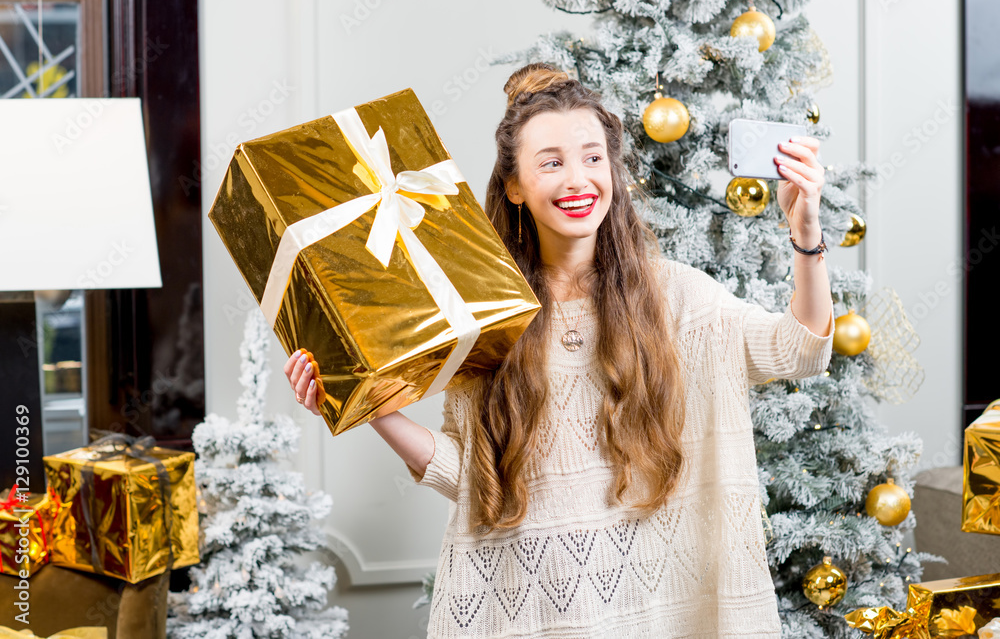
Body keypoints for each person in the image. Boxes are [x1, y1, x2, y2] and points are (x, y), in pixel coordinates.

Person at [284, 63, 834, 638]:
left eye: (593, 158)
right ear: (515, 186)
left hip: (656, 615)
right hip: (535, 615)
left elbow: (800, 350)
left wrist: (806, 232)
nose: (578, 180)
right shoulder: (485, 315)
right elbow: (464, 473)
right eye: (551, 162)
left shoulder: (678, 297)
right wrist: (366, 400)